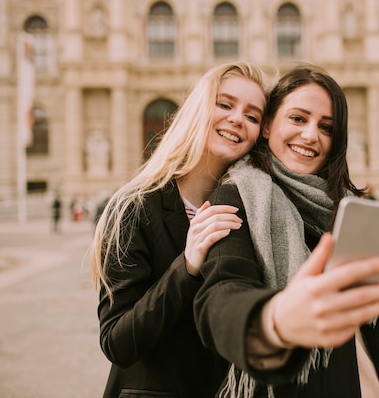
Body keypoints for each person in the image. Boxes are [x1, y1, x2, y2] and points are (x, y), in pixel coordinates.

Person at [194, 65, 379, 398]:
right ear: (268, 126)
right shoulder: (239, 193)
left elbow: (369, 321)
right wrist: (274, 321)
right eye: (298, 119)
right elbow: (222, 292)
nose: (311, 135)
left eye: (326, 127)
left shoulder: (341, 203)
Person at [88, 62, 269, 398]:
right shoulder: (135, 206)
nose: (237, 119)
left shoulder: (253, 205)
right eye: (225, 104)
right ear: (199, 108)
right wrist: (186, 267)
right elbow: (118, 341)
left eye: (253, 116)